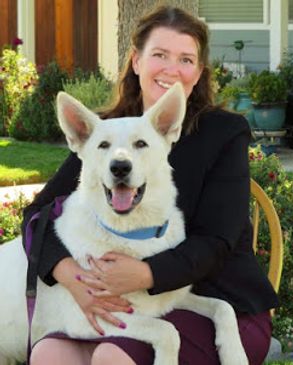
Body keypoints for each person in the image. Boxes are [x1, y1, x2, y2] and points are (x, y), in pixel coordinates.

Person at [22, 5, 279, 365]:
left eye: (186, 59)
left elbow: (218, 241)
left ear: (199, 72)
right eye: (160, 55)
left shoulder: (224, 132)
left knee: (112, 356)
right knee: (51, 353)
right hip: (134, 306)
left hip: (219, 302)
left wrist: (143, 274)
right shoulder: (105, 135)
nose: (173, 69)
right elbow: (37, 215)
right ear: (136, 61)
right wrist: (73, 278)